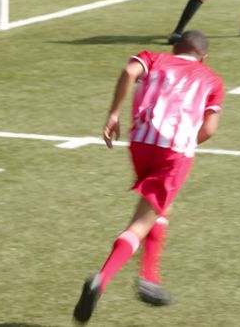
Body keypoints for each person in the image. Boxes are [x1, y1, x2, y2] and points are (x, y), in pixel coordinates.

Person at [73, 30, 224, 324]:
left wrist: (113, 114)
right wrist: (186, 143)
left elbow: (129, 71)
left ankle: (149, 278)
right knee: (141, 222)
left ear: (176, 48)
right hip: (174, 152)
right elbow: (209, 129)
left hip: (141, 144)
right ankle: (101, 280)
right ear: (203, 57)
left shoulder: (153, 57)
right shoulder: (211, 79)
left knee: (159, 208)